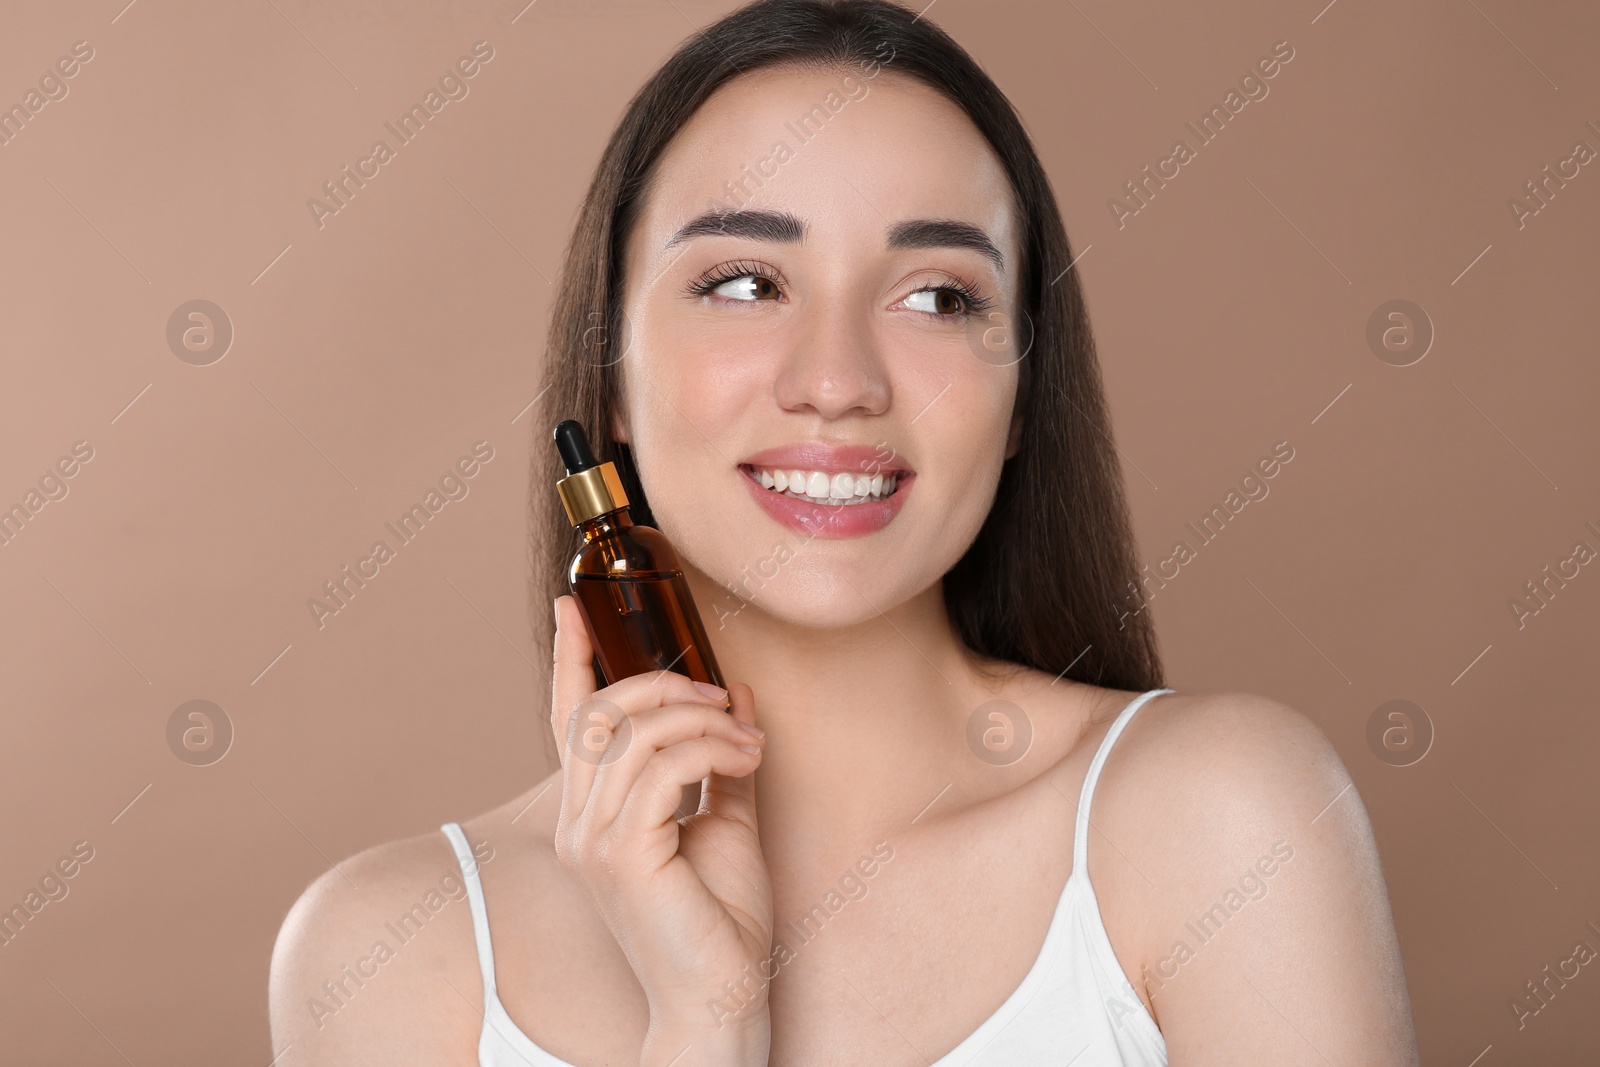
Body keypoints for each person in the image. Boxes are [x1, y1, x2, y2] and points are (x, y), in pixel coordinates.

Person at [268, 1, 1420, 1063]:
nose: (837, 381)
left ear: (1022, 393)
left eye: (936, 296)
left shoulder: (1223, 820)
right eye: (742, 281)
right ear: (613, 376)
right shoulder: (388, 956)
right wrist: (703, 1020)